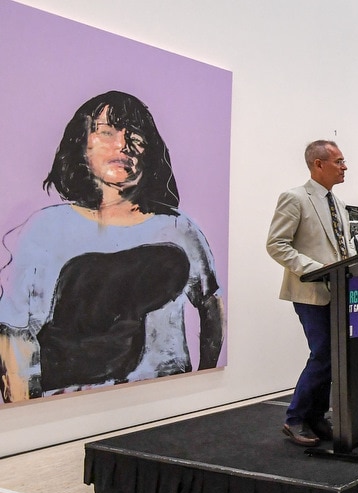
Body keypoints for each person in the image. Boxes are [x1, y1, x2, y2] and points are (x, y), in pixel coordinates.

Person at [0, 90, 223, 403]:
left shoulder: (178, 228)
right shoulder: (43, 230)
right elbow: (13, 333)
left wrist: (207, 376)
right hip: (67, 402)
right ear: (81, 144)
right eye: (106, 132)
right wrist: (26, 408)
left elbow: (211, 304)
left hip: (166, 400)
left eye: (137, 137)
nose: (123, 145)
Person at [263, 139, 351, 446]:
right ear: (318, 164)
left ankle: (316, 416)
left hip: (339, 291)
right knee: (323, 354)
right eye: (339, 161)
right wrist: (315, 267)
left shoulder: (338, 204)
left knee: (333, 356)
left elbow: (343, 247)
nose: (345, 167)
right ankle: (295, 418)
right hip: (310, 291)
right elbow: (276, 244)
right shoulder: (295, 198)